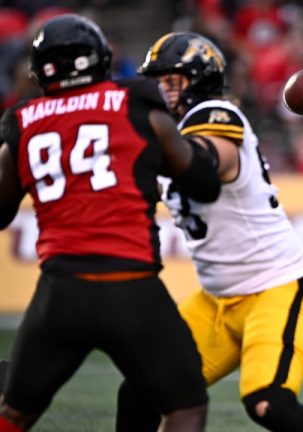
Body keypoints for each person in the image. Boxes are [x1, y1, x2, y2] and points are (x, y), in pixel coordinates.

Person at [114, 32, 303, 432]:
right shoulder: (168, 134)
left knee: (268, 404)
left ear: (200, 81)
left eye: (172, 81)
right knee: (139, 390)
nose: (162, 91)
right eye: (157, 82)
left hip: (276, 288)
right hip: (216, 298)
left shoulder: (216, 115)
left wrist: (146, 154)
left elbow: (204, 168)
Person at [0, 14, 218, 431]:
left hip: (58, 289)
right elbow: (201, 180)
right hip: (130, 284)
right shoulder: (132, 100)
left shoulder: (22, 122)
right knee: (185, 403)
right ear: (100, 59)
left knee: (15, 410)